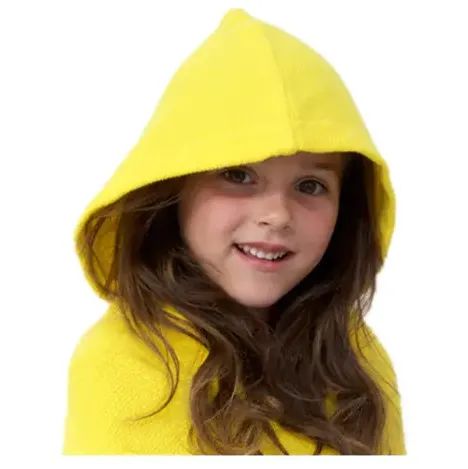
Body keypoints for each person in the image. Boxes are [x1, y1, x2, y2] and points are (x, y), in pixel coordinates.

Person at [62, 8, 406, 455]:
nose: (277, 215)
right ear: (174, 186)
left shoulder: (358, 359)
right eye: (238, 175)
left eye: (310, 185)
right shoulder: (122, 363)